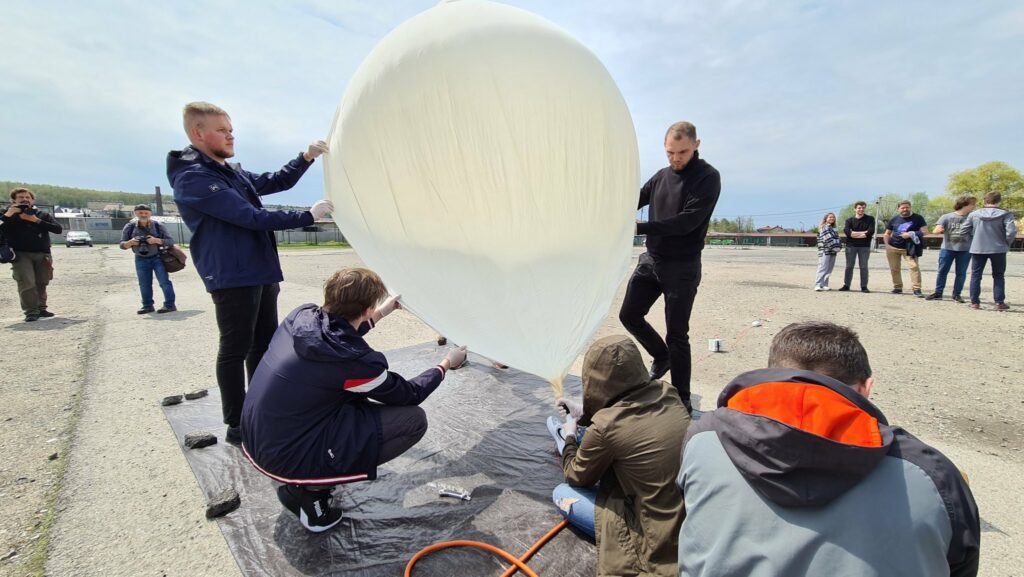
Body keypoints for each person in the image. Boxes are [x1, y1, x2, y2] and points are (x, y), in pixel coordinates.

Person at [676, 321, 980, 577]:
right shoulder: (930, 474)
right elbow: (960, 562)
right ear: (866, 387)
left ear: (772, 376)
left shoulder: (705, 439)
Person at [240, 268, 468, 533]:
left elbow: (337, 337)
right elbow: (409, 394)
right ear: (365, 309)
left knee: (347, 399)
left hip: (255, 435)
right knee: (413, 420)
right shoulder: (357, 364)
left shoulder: (301, 317)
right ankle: (312, 491)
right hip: (283, 456)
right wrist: (445, 364)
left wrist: (382, 312)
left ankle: (309, 476)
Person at [167, 101, 335, 444]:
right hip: (232, 275)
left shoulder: (229, 172)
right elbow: (249, 217)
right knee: (235, 348)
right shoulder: (194, 178)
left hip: (259, 270)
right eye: (222, 131)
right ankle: (237, 423)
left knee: (263, 345)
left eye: (231, 130)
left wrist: (306, 158)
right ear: (198, 133)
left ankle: (262, 408)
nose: (231, 136)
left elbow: (276, 181)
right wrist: (307, 216)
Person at [549, 335, 688, 577]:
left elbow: (576, 476)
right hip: (686, 519)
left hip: (654, 536)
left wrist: (570, 436)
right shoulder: (668, 392)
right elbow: (628, 414)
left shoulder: (605, 427)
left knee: (562, 494)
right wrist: (585, 413)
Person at [619, 121, 721, 413]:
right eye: (670, 152)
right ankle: (660, 356)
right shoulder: (661, 176)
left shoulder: (708, 177)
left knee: (677, 334)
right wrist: (611, 207)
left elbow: (687, 222)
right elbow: (636, 198)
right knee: (629, 315)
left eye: (682, 152)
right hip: (651, 260)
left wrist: (641, 227)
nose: (675, 158)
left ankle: (682, 398)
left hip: (682, 266)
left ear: (696, 145)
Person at [0, 188, 63, 322]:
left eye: (27, 197)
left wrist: (35, 220)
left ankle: (41, 309)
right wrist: (8, 214)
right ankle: (31, 311)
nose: (25, 199)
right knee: (26, 282)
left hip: (43, 253)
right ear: (13, 200)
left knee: (42, 282)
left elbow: (58, 229)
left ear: (32, 200)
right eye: (21, 197)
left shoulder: (41, 215)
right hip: (20, 254)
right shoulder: (6, 214)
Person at [960, 192, 1017, 311]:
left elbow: (963, 230)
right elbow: (1011, 232)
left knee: (976, 275)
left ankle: (975, 303)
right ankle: (999, 302)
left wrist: (973, 242)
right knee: (998, 275)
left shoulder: (974, 214)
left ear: (984, 201)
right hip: (999, 249)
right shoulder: (1006, 214)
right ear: (999, 201)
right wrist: (1007, 243)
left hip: (978, 248)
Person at [119, 204, 177, 314]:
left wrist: (156, 240)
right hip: (140, 258)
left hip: (158, 257)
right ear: (135, 213)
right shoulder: (130, 227)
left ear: (150, 213)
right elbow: (122, 244)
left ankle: (170, 305)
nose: (143, 215)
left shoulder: (158, 225)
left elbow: (170, 241)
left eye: (146, 213)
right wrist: (130, 243)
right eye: (140, 213)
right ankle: (147, 306)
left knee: (164, 282)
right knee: (144, 284)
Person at [925, 195, 977, 303]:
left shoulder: (973, 218)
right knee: (942, 271)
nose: (974, 206)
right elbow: (935, 230)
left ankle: (957, 294)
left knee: (961, 273)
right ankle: (938, 292)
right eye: (972, 204)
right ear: (965, 204)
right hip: (947, 248)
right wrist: (938, 229)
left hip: (965, 250)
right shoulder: (946, 217)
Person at [883, 199, 928, 297]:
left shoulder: (918, 218)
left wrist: (910, 234)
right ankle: (897, 287)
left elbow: (925, 232)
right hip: (893, 247)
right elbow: (887, 233)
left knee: (914, 267)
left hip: (910, 247)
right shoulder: (894, 219)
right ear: (898, 209)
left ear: (910, 208)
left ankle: (916, 289)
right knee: (894, 268)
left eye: (907, 207)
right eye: (902, 208)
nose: (905, 209)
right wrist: (887, 245)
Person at [838, 200, 875, 292]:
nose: (861, 209)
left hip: (865, 246)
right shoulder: (849, 220)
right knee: (849, 266)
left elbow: (870, 232)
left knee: (863, 266)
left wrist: (854, 234)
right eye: (859, 208)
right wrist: (863, 233)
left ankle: (864, 286)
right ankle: (846, 285)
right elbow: (847, 232)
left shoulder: (870, 219)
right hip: (851, 246)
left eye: (863, 208)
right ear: (855, 209)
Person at [813, 212, 840, 291]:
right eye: (830, 217)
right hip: (825, 251)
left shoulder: (833, 228)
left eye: (833, 217)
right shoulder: (825, 227)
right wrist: (836, 247)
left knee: (829, 268)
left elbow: (838, 239)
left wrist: (838, 246)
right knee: (823, 267)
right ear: (826, 219)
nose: (832, 218)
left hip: (833, 251)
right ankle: (818, 284)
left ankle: (824, 284)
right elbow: (828, 239)